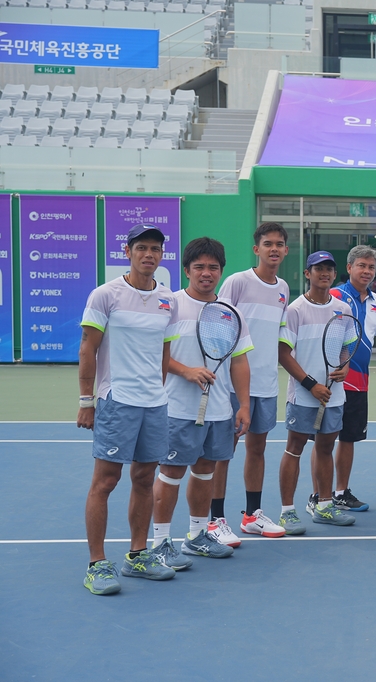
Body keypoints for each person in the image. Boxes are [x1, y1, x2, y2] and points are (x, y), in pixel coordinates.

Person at [79, 224, 177, 594]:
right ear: (128, 251)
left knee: (144, 479)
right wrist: (87, 401)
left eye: (155, 249)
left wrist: (159, 392)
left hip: (154, 404)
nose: (149, 254)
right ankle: (97, 564)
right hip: (117, 400)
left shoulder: (168, 299)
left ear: (161, 255)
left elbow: (165, 353)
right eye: (142, 248)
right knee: (105, 482)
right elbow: (88, 348)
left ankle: (137, 556)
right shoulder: (106, 295)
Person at [150, 238, 253, 568]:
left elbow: (239, 362)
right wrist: (186, 371)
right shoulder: (170, 305)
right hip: (177, 408)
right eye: (199, 267)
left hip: (220, 410)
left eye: (213, 267)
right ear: (186, 270)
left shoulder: (230, 313)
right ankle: (160, 542)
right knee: (171, 471)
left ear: (221, 272)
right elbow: (156, 354)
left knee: (206, 470)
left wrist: (244, 405)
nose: (206, 273)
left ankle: (196, 536)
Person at [215, 222, 291, 542]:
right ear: (256, 249)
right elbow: (217, 325)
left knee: (257, 449)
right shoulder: (237, 282)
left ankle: (251, 516)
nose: (274, 249)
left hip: (267, 383)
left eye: (279, 244)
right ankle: (215, 519)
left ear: (286, 250)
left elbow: (279, 336)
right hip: (233, 384)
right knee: (224, 450)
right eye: (267, 243)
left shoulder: (284, 288)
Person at [278, 251, 356, 531]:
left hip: (334, 395)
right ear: (307, 274)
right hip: (303, 394)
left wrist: (345, 369)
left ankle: (324, 505)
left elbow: (347, 346)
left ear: (335, 275)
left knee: (325, 447)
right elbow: (283, 353)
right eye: (318, 269)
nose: (324, 273)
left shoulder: (344, 309)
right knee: (295, 448)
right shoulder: (295, 309)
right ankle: (287, 511)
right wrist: (311, 385)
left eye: (329, 269)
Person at [320, 245, 376, 514]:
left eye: (371, 267)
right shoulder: (332, 295)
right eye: (362, 266)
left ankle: (341, 492)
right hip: (331, 381)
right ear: (349, 268)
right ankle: (319, 495)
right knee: (324, 440)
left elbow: (369, 339)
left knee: (348, 438)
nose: (367, 271)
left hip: (360, 381)